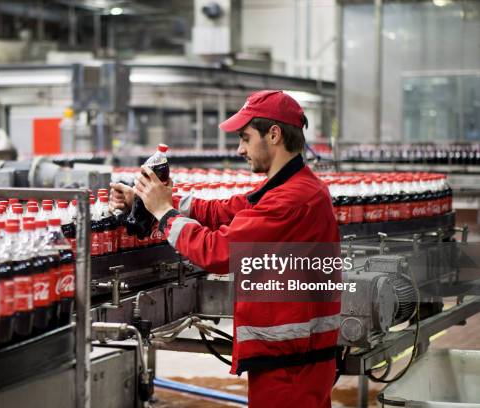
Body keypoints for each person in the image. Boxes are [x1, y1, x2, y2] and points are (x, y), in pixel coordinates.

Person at [110, 90, 340, 408]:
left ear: (273, 134)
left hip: (292, 367)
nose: (239, 148)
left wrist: (164, 214)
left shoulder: (293, 199)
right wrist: (148, 200)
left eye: (245, 138)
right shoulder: (290, 188)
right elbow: (221, 211)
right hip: (293, 358)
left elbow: (219, 252)